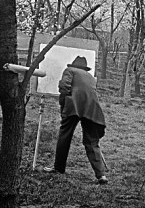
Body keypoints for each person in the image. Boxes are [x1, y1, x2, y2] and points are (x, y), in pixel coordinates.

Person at [44, 55, 109, 184]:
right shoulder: (90, 77)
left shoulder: (70, 71)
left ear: (73, 65)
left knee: (65, 136)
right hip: (91, 110)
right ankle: (101, 175)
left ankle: (58, 168)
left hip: (73, 106)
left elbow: (64, 87)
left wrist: (63, 107)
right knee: (91, 142)